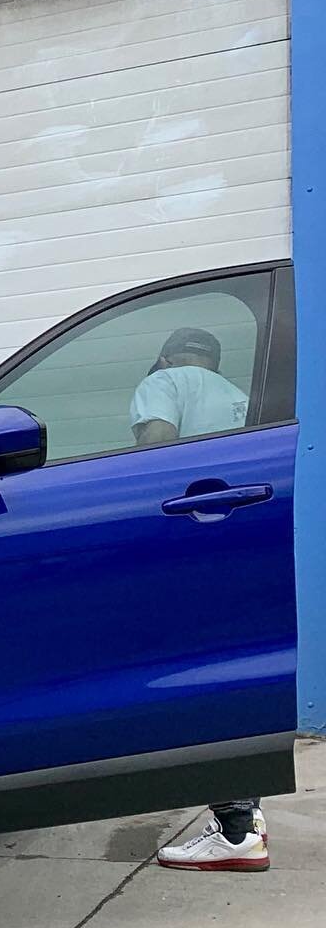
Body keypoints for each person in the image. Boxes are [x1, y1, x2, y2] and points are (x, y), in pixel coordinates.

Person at [129, 325, 270, 871]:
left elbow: (157, 452)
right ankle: (244, 819)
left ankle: (235, 832)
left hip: (186, 546)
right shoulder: (236, 396)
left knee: (195, 677)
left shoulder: (164, 380)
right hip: (238, 543)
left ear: (166, 356)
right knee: (232, 675)